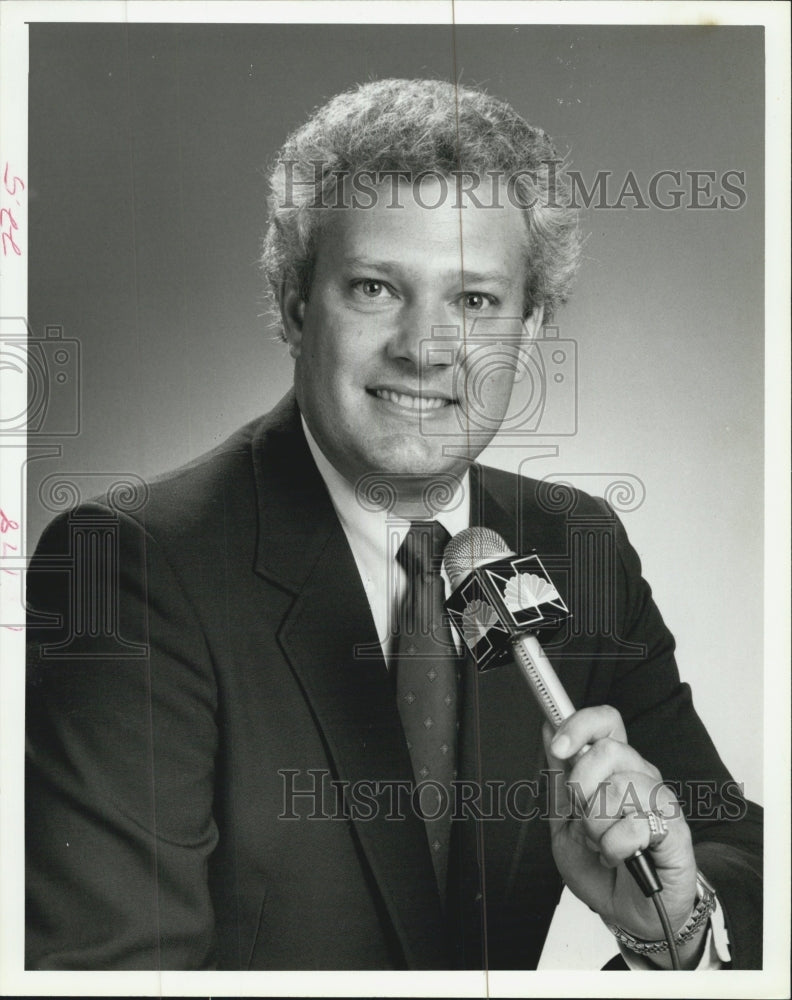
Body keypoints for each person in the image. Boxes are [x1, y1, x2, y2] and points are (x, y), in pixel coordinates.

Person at [25, 78, 762, 971]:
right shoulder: (125, 568)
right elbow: (111, 975)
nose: (426, 347)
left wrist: (666, 929)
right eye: (376, 288)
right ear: (296, 305)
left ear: (530, 328)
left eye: (477, 302)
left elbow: (737, 862)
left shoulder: (580, 545)